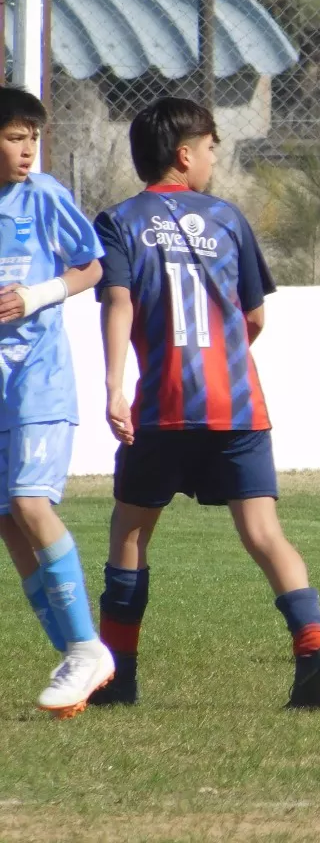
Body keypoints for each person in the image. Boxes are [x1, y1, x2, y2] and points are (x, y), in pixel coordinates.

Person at [91, 96, 320, 709]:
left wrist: (115, 386)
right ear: (184, 156)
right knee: (262, 532)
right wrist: (223, 352)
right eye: (210, 148)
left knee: (130, 531)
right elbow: (254, 316)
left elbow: (118, 302)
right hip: (237, 406)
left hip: (163, 406)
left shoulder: (119, 221)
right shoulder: (227, 218)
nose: (213, 159)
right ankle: (314, 647)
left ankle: (118, 674)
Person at [0, 86, 115, 717]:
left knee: (29, 502)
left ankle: (86, 650)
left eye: (33, 139)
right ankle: (78, 657)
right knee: (7, 521)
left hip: (38, 379)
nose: (27, 150)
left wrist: (35, 295)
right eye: (14, 137)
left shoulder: (42, 196)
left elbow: (91, 266)